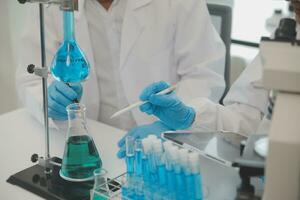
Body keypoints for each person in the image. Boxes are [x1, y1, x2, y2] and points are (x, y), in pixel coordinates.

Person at [117, 0, 300, 158]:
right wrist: (190, 118)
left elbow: (204, 74)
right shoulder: (289, 42)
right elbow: (246, 120)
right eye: (295, 8)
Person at [16, 0, 225, 130]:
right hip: (91, 139)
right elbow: (32, 76)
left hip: (165, 142)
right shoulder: (52, 5)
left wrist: (172, 123)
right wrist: (49, 102)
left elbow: (204, 74)